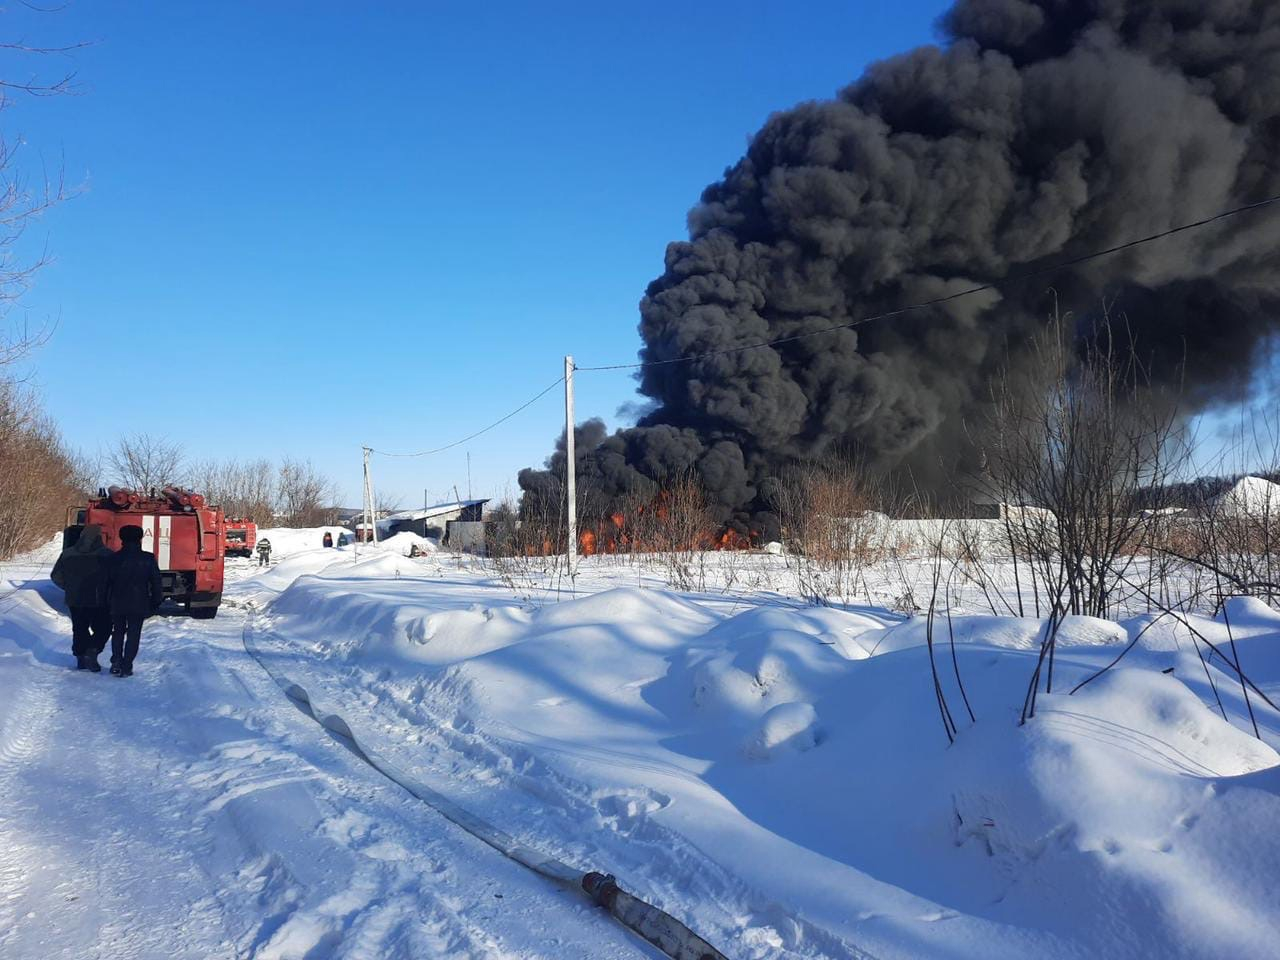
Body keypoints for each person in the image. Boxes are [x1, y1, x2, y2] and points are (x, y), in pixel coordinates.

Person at [50, 524, 113, 671]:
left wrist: (69, 588)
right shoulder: (107, 555)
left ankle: (80, 657)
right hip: (99, 599)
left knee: (79, 628)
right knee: (104, 628)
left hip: (75, 598)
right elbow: (113, 578)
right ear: (99, 537)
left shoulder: (67, 554)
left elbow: (56, 576)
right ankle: (93, 649)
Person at [104, 524, 163, 678]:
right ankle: (127, 665)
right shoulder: (148, 558)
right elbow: (156, 582)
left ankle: (116, 661)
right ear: (140, 538)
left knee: (117, 632)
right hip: (139, 602)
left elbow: (106, 582)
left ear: (121, 538)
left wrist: (105, 601)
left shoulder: (112, 558)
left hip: (117, 601)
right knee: (133, 634)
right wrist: (156, 601)